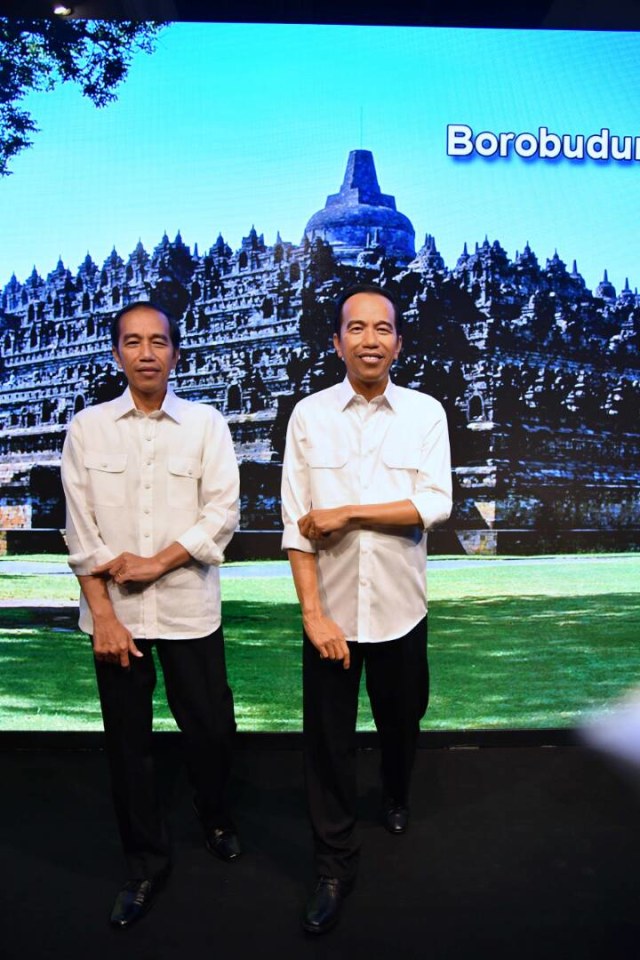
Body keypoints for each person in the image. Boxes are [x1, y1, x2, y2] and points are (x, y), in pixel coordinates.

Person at [61, 301, 240, 928]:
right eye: (132, 343)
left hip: (190, 607)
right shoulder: (87, 428)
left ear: (174, 354)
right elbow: (79, 531)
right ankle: (142, 864)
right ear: (117, 354)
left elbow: (222, 512)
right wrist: (103, 615)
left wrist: (156, 563)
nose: (145, 353)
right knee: (128, 746)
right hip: (118, 619)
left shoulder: (206, 424)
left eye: (157, 342)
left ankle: (215, 815)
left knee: (212, 729)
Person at [281, 284, 452, 935]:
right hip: (332, 613)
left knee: (401, 721)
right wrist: (312, 614)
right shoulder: (309, 416)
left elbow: (434, 502)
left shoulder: (425, 414)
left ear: (399, 343)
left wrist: (349, 512)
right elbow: (298, 528)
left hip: (402, 609)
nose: (371, 340)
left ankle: (399, 790)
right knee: (327, 748)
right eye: (357, 328)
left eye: (383, 329)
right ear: (337, 341)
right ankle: (332, 863)